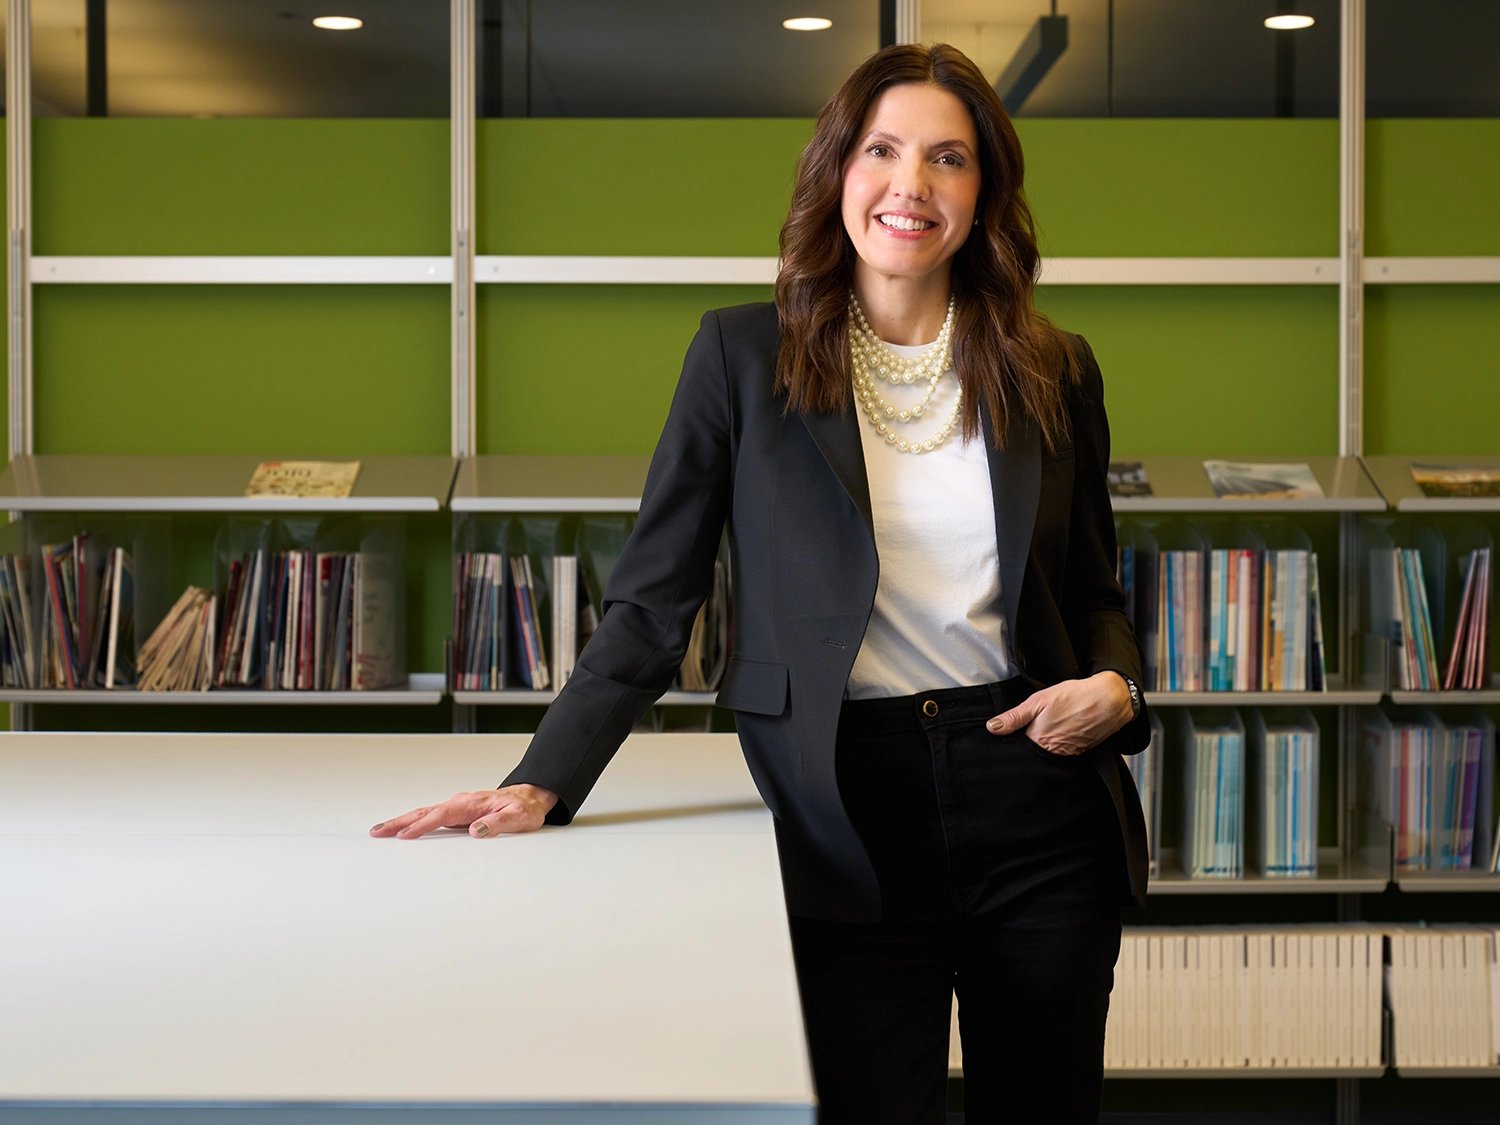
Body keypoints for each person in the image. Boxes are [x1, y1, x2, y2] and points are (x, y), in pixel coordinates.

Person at [372, 42, 1150, 1125]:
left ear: (987, 192)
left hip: (1035, 792)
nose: (911, 186)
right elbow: (653, 602)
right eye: (882, 150)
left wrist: (1120, 693)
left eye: (949, 158)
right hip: (841, 806)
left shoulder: (1052, 365)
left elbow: (1094, 591)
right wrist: (545, 778)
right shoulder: (742, 356)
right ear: (838, 171)